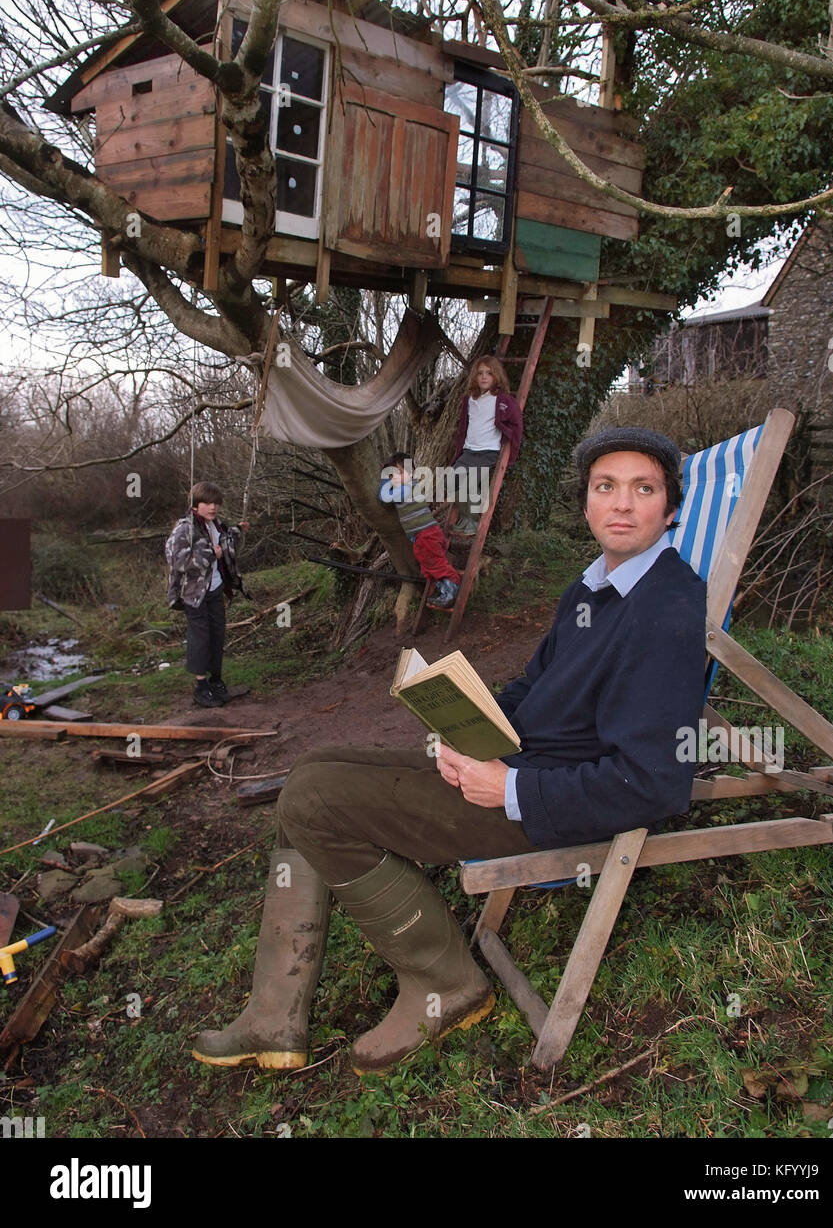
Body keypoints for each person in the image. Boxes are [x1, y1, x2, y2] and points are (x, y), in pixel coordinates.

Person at [191, 427, 706, 1074]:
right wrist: (468, 723)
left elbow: (654, 783)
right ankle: (274, 1013)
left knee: (316, 801)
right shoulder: (594, 587)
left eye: (643, 489)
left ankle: (444, 984)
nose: (623, 505)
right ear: (586, 502)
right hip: (514, 762)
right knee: (313, 769)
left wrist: (509, 790)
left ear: (669, 506)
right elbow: (531, 688)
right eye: (606, 487)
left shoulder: (665, 610)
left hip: (546, 802)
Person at [165, 481, 249, 708]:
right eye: (207, 503)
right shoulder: (185, 528)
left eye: (215, 503)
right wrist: (211, 554)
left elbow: (226, 541)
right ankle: (200, 687)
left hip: (215, 588)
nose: (212, 507)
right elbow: (176, 559)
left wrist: (239, 531)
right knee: (200, 637)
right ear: (196, 505)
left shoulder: (216, 525)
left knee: (217, 634)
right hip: (194, 594)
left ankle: (216, 681)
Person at [449, 354, 523, 536]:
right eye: (480, 373)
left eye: (489, 373)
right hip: (469, 450)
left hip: (488, 451)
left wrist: (510, 439)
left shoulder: (503, 400)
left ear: (496, 376)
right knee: (452, 480)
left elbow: (517, 423)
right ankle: (466, 518)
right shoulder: (470, 400)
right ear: (474, 376)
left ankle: (473, 521)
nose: (483, 377)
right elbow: (464, 427)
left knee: (472, 484)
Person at [379, 450, 461, 609]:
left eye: (398, 473)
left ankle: (453, 589)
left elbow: (384, 497)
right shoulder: (406, 486)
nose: (393, 478)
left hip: (426, 535)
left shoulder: (407, 489)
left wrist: (384, 479)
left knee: (436, 565)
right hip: (422, 536)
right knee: (428, 566)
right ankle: (445, 591)